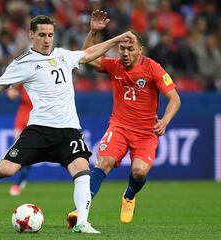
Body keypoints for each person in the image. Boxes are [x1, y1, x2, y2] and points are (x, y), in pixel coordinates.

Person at [0, 15, 135, 234]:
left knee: (83, 171)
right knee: (6, 170)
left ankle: (82, 222)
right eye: (42, 35)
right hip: (39, 130)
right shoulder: (22, 63)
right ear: (31, 34)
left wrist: (116, 38)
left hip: (69, 131)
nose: (46, 40)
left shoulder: (63, 55)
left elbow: (89, 53)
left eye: (50, 35)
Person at [67, 10, 181, 227]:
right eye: (122, 49)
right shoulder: (114, 66)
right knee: (103, 162)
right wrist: (93, 32)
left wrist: (164, 120)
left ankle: (129, 195)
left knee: (139, 171)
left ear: (140, 50)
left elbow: (175, 99)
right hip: (119, 127)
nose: (126, 53)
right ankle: (80, 210)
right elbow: (86, 55)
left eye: (130, 49)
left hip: (146, 132)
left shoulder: (153, 68)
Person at [6, 84, 32, 196]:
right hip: (22, 119)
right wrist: (12, 90)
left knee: (32, 150)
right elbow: (12, 91)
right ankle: (20, 180)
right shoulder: (26, 72)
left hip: (39, 118)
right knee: (21, 149)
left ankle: (21, 179)